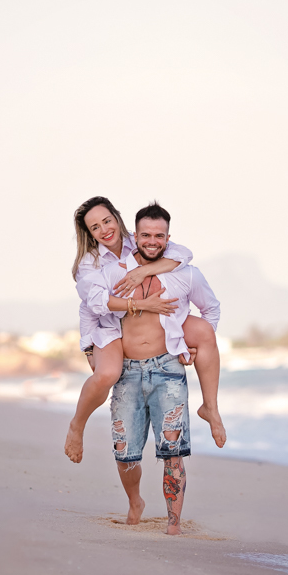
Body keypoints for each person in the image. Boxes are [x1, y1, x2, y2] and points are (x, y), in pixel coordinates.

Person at [88, 201, 222, 535]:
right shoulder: (115, 272)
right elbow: (92, 306)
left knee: (173, 452)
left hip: (167, 368)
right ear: (134, 236)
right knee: (125, 453)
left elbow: (211, 310)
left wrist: (191, 344)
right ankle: (135, 501)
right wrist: (89, 349)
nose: (152, 241)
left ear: (168, 238)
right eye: (145, 235)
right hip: (127, 371)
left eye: (159, 236)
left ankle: (173, 525)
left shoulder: (185, 274)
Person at [64, 197, 226, 464]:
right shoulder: (90, 263)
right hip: (112, 325)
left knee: (204, 332)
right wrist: (89, 348)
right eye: (95, 227)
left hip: (158, 321)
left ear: (117, 217)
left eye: (107, 221)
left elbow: (183, 255)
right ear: (89, 233)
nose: (104, 230)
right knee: (107, 374)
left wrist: (144, 271)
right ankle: (76, 426)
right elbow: (93, 304)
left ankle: (211, 407)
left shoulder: (140, 238)